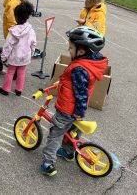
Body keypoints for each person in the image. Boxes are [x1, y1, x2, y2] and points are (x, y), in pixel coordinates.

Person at [40, 26, 107, 177]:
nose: (69, 50)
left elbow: (81, 92)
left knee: (55, 134)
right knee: (72, 131)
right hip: (77, 110)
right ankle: (69, 152)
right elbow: (77, 87)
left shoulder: (79, 68)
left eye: (71, 48)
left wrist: (77, 112)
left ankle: (48, 162)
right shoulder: (91, 63)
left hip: (68, 109)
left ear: (81, 51)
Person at [0, 1, 36, 96]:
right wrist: (31, 53)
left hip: (14, 57)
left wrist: (3, 57)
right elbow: (33, 43)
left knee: (10, 72)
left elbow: (7, 46)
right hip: (25, 56)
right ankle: (19, 90)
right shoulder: (30, 30)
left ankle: (6, 89)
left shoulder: (13, 31)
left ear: (16, 16)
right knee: (21, 72)